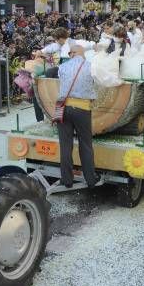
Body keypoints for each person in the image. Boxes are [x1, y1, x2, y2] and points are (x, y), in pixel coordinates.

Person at [56, 45, 98, 189]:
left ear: (71, 54)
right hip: (82, 108)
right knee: (85, 144)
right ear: (82, 53)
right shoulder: (90, 66)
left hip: (63, 108)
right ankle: (90, 179)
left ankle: (67, 179)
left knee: (65, 145)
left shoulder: (62, 67)